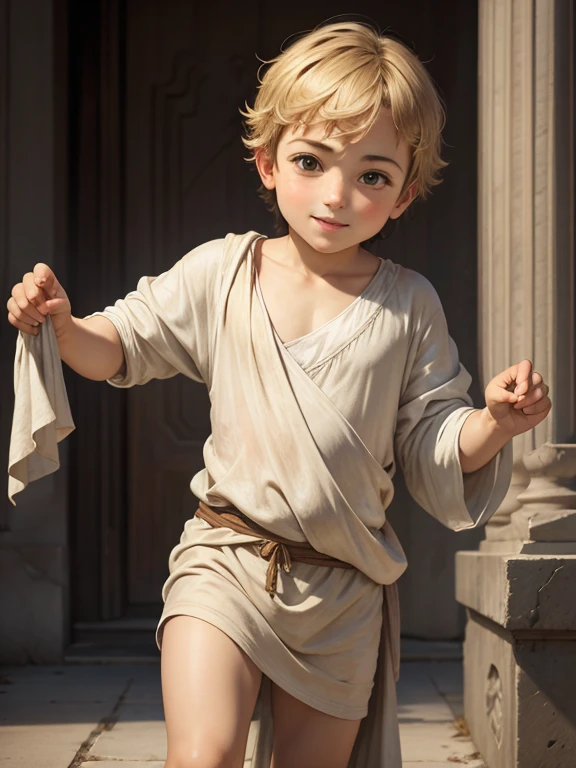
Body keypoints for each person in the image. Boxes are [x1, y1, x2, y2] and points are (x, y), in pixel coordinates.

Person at [6, 20, 551, 768]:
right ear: (266, 162)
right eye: (311, 161)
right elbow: (121, 346)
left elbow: (431, 440)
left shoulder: (408, 305)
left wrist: (492, 421)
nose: (337, 195)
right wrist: (63, 324)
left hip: (341, 592)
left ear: (405, 193)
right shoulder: (221, 274)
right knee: (203, 757)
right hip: (223, 557)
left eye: (372, 175)